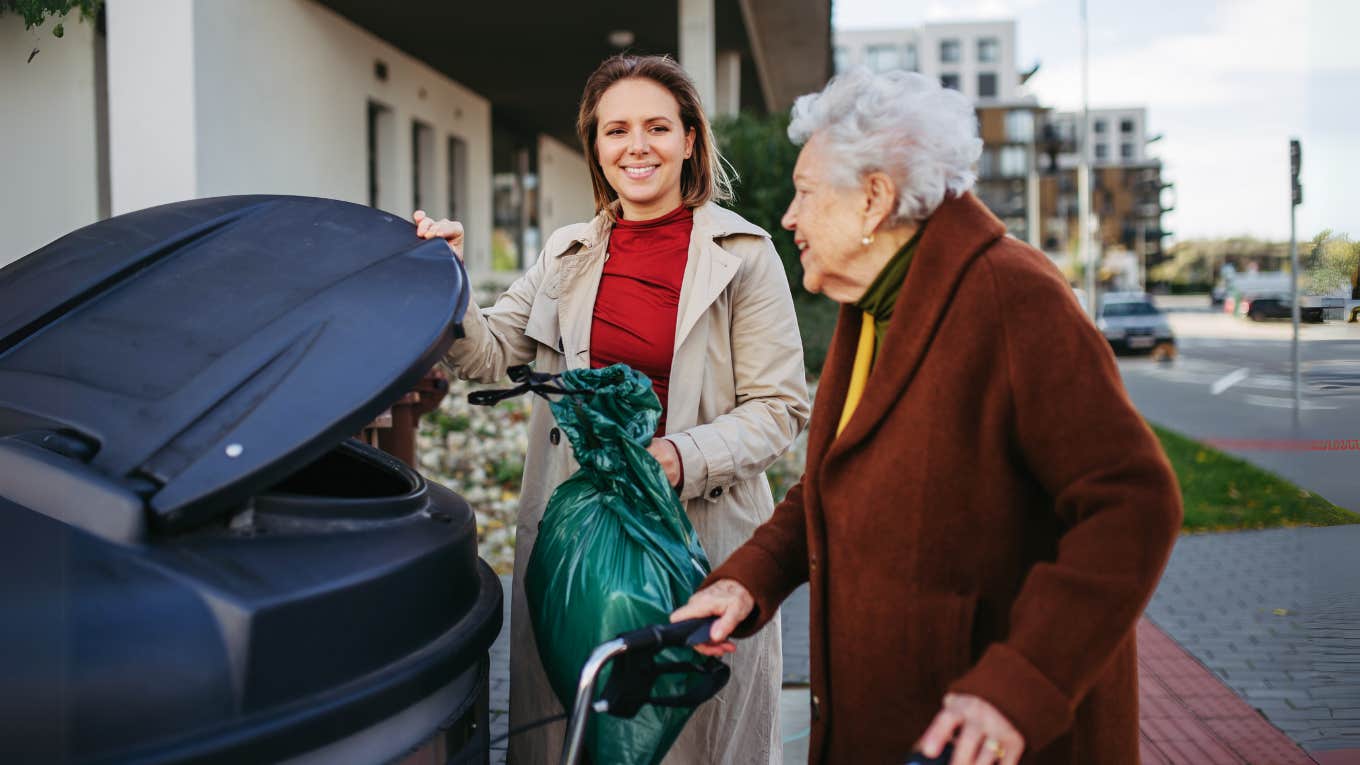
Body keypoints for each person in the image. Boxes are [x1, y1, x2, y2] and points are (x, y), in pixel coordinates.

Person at [671, 69, 1182, 765]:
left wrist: (1020, 684)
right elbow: (832, 483)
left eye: (807, 193)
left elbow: (1133, 503)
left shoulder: (1011, 295)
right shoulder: (875, 303)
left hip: (985, 737)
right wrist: (747, 579)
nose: (788, 216)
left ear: (873, 200)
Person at [416, 54, 809, 764]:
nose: (637, 146)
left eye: (658, 127)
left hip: (697, 536)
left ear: (690, 139)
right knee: (583, 722)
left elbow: (778, 407)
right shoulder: (568, 254)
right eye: (616, 130)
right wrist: (445, 278)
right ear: (595, 146)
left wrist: (676, 457)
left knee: (678, 727)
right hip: (581, 536)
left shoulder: (743, 256)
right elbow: (489, 353)